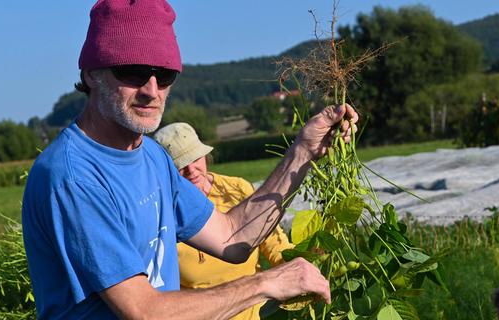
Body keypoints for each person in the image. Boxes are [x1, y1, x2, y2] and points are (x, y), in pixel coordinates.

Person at [21, 0, 359, 319]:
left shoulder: (152, 156)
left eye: (164, 75)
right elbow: (144, 311)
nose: (152, 90)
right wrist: (265, 283)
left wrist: (304, 150)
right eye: (134, 72)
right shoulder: (73, 175)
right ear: (93, 73)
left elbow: (231, 238)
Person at [154, 122, 294, 320]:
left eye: (195, 158)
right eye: (180, 165)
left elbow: (273, 243)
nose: (192, 170)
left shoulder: (235, 189)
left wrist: (300, 260)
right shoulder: (162, 215)